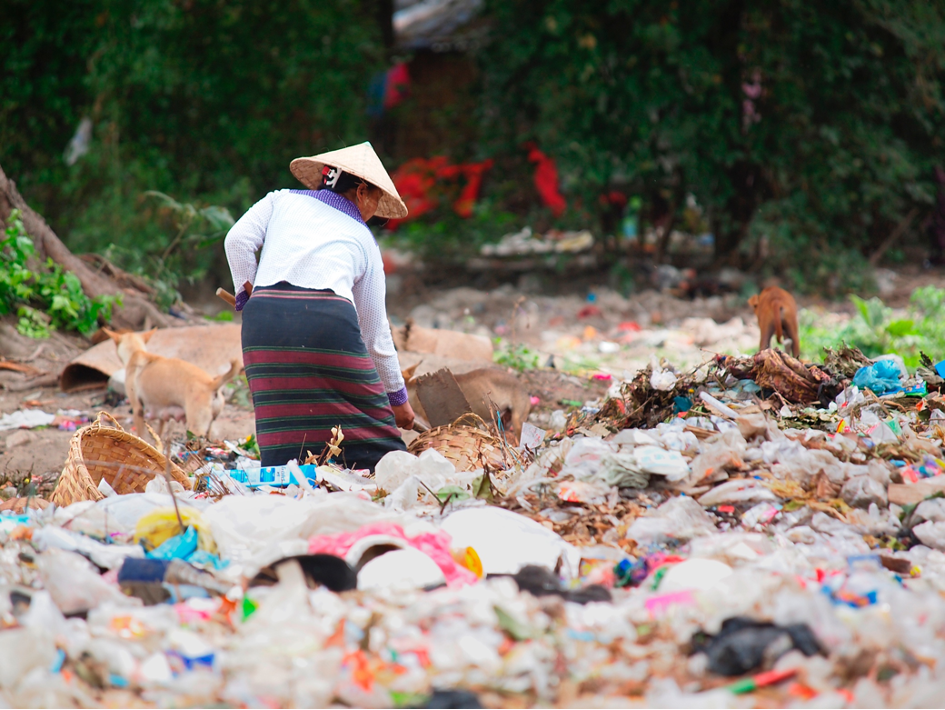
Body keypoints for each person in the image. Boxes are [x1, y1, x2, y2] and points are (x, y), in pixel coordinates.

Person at [224, 142, 415, 471]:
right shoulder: (362, 239)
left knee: (281, 400)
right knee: (376, 434)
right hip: (326, 320)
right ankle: (376, 464)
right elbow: (374, 334)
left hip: (262, 321)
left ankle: (286, 466)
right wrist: (397, 400)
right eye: (375, 201)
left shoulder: (279, 199)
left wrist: (250, 299)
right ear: (361, 192)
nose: (374, 212)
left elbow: (237, 241)